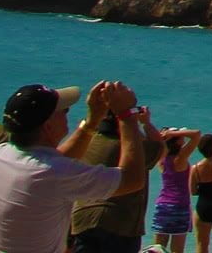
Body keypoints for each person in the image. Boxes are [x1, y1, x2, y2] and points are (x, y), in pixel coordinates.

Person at [0, 82, 152, 253]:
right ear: (48, 127)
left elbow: (51, 163)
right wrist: (127, 116)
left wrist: (91, 123)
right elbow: (132, 180)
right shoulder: (53, 173)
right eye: (64, 111)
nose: (68, 113)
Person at [69, 82, 162, 253]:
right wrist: (144, 123)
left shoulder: (86, 142)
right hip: (120, 221)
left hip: (82, 218)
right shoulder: (134, 147)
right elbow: (159, 149)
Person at [151, 129, 202, 253]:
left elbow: (158, 142)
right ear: (177, 141)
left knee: (157, 249)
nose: (182, 134)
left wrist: (168, 135)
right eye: (180, 135)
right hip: (179, 205)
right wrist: (173, 134)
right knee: (177, 251)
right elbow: (196, 135)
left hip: (162, 205)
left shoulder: (161, 158)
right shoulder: (180, 158)